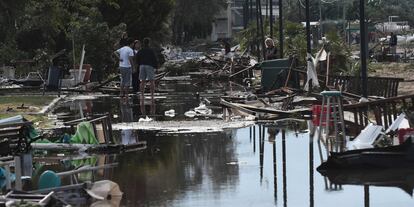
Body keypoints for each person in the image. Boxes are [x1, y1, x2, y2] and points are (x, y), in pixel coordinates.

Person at [135, 37, 158, 114]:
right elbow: (154, 59)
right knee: (152, 81)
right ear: (149, 43)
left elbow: (137, 58)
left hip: (142, 65)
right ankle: (152, 94)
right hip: (149, 65)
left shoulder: (140, 51)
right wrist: (156, 66)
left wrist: (139, 64)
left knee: (142, 81)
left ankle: (142, 94)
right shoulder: (151, 50)